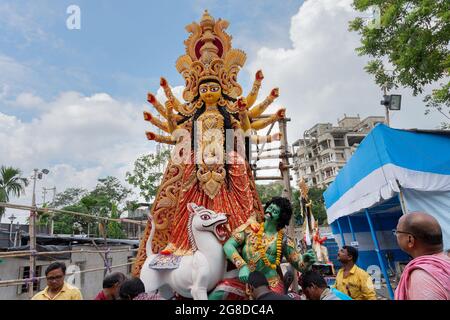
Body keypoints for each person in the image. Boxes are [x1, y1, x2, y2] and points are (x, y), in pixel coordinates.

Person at [222, 197, 316, 295]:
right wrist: (241, 266)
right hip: (246, 280)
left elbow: (300, 266)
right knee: (219, 292)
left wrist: (306, 261)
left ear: (281, 217)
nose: (270, 211)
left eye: (275, 211)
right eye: (270, 208)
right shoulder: (249, 229)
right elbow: (228, 245)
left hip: (270, 283)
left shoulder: (284, 240)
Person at [394, 212, 450, 300]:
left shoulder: (421, 277)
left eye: (397, 232)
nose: (396, 235)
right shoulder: (446, 261)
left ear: (410, 240)